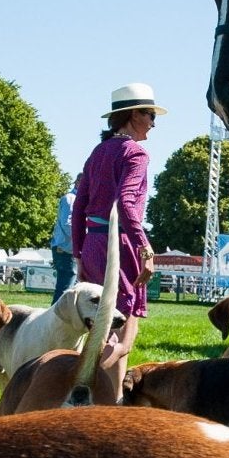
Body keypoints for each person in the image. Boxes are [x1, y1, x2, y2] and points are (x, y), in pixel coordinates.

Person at [72, 83, 163, 403]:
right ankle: (85, 392)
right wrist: (145, 248)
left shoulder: (98, 151)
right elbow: (126, 204)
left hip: (94, 247)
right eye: (151, 115)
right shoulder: (135, 152)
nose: (153, 122)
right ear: (134, 115)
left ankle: (110, 403)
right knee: (123, 338)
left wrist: (79, 252)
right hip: (120, 247)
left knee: (104, 330)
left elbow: (78, 206)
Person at [50, 175, 80, 300]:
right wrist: (83, 239)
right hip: (66, 249)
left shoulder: (76, 199)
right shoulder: (70, 199)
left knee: (68, 288)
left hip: (69, 249)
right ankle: (56, 318)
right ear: (79, 182)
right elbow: (68, 224)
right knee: (65, 290)